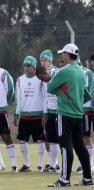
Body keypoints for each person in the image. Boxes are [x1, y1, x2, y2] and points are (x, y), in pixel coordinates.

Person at [47, 43, 93, 187]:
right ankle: (87, 178)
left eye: (63, 54)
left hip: (64, 113)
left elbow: (50, 87)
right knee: (80, 146)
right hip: (78, 114)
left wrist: (59, 91)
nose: (61, 56)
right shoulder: (81, 71)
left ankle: (64, 180)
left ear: (67, 55)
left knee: (66, 146)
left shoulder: (64, 71)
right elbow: (86, 95)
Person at [14, 56, 46, 172]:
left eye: (29, 66)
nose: (27, 68)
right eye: (25, 66)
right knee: (22, 140)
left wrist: (44, 113)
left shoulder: (40, 79)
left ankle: (40, 164)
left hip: (38, 115)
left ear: (34, 66)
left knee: (41, 140)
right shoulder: (20, 79)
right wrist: (16, 114)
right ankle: (26, 164)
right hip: (25, 116)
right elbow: (18, 98)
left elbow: (44, 96)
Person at [38, 50, 60, 172]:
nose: (43, 62)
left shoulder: (56, 72)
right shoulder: (42, 74)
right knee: (50, 138)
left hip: (59, 111)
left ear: (51, 60)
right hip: (50, 111)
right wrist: (45, 112)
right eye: (41, 60)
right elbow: (44, 95)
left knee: (59, 138)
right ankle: (53, 164)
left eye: (45, 60)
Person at [76, 57, 94, 173]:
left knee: (85, 137)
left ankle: (88, 164)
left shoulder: (87, 74)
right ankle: (86, 164)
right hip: (85, 110)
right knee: (84, 137)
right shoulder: (89, 74)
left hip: (88, 109)